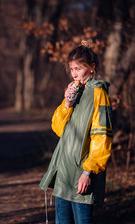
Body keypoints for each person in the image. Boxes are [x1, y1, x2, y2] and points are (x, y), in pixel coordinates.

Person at [39, 41, 113, 224]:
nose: (74, 73)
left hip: (82, 172)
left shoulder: (99, 94)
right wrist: (66, 104)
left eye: (79, 68)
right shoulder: (74, 90)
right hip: (63, 171)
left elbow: (101, 136)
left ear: (92, 68)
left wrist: (88, 172)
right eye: (72, 68)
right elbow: (58, 129)